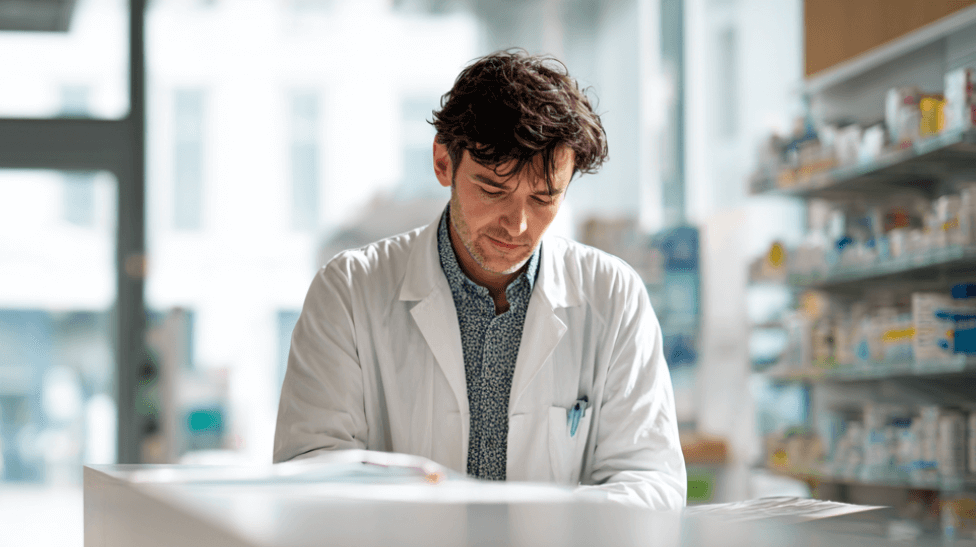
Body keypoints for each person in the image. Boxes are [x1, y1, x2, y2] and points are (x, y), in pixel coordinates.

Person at [274, 50, 686, 510]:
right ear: (443, 163)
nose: (519, 225)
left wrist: (538, 538)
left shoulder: (614, 296)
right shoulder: (347, 291)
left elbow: (652, 480)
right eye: (493, 190)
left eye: (545, 198)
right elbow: (311, 476)